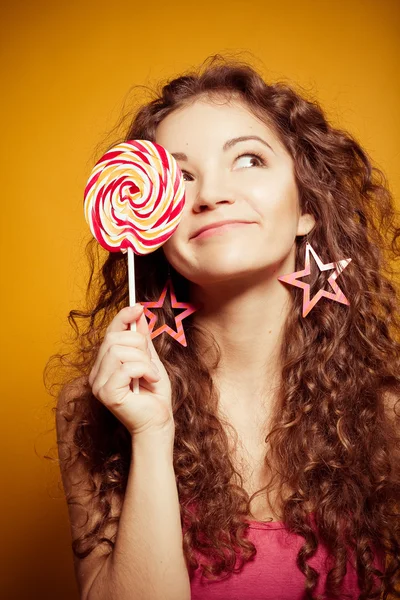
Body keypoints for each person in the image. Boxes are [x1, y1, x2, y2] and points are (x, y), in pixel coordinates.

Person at [48, 55, 400, 600]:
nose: (210, 194)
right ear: (149, 222)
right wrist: (150, 432)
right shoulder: (90, 413)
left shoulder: (388, 412)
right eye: (181, 175)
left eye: (249, 160)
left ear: (307, 207)